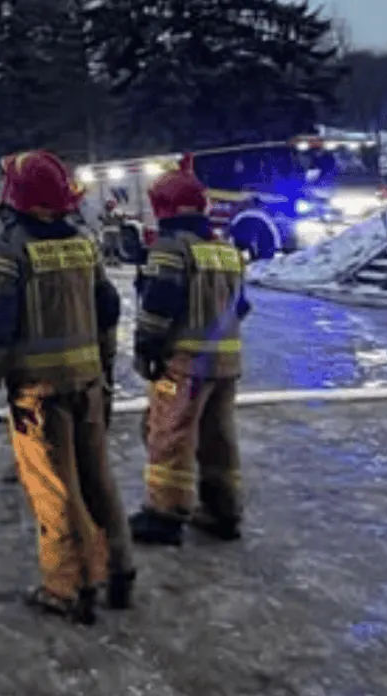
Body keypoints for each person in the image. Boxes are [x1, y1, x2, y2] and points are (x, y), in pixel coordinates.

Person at [0, 150, 133, 623]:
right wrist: (103, 367)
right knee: (98, 480)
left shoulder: (8, 250)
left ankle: (70, 586)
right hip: (87, 382)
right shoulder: (85, 245)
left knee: (54, 488)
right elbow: (109, 310)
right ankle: (119, 571)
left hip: (37, 392)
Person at [128, 160, 251, 547]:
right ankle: (222, 510)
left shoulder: (169, 249)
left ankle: (165, 513)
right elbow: (242, 306)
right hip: (226, 362)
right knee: (218, 438)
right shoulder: (226, 251)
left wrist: (147, 346)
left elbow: (159, 304)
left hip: (185, 363)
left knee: (170, 435)